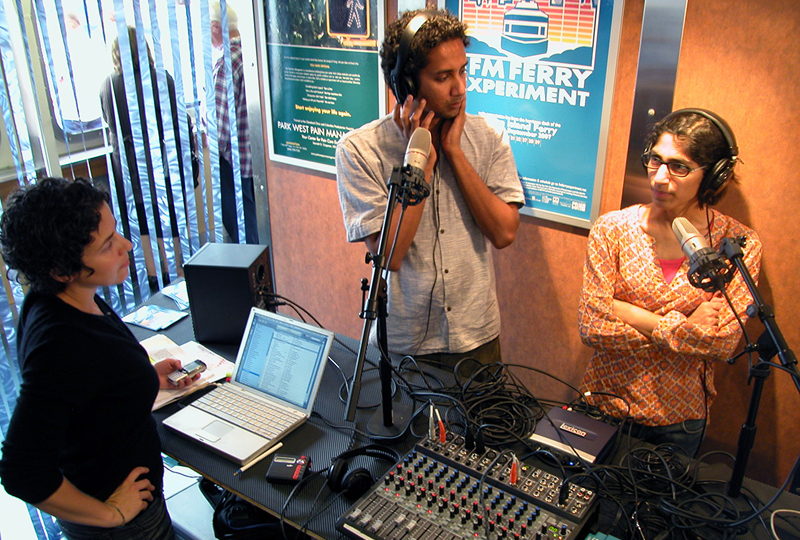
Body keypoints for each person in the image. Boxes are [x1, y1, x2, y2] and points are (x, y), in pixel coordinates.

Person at [0, 177, 198, 539]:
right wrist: (110, 515)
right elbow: (21, 471)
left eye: (116, 232)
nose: (126, 245)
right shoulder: (58, 345)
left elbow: (87, 386)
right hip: (123, 524)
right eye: (108, 245)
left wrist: (142, 376)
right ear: (63, 269)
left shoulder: (63, 296)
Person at [336, 9, 524, 372]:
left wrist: (454, 153)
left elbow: (504, 232)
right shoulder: (359, 151)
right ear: (406, 83)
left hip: (477, 340)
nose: (460, 88)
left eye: (462, 71)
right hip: (406, 348)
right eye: (443, 77)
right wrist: (419, 163)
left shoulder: (488, 137)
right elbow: (389, 254)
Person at [578, 109, 762, 458]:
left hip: (680, 419)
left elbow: (721, 344)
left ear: (713, 177)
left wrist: (628, 311)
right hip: (606, 402)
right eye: (655, 161)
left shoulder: (738, 244)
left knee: (660, 512)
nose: (660, 178)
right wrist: (683, 327)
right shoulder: (611, 229)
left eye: (679, 167)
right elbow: (592, 327)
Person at [100, 26, 192, 291]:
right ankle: (177, 274)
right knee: (171, 218)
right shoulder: (162, 80)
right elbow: (177, 123)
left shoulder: (108, 84)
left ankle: (153, 277)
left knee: (141, 220)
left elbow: (109, 123)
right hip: (161, 163)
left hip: (127, 167)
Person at [210, 1, 259, 244]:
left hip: (236, 166)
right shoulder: (255, 54)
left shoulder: (226, 63)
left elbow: (220, 131)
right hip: (259, 164)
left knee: (246, 238)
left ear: (215, 27)